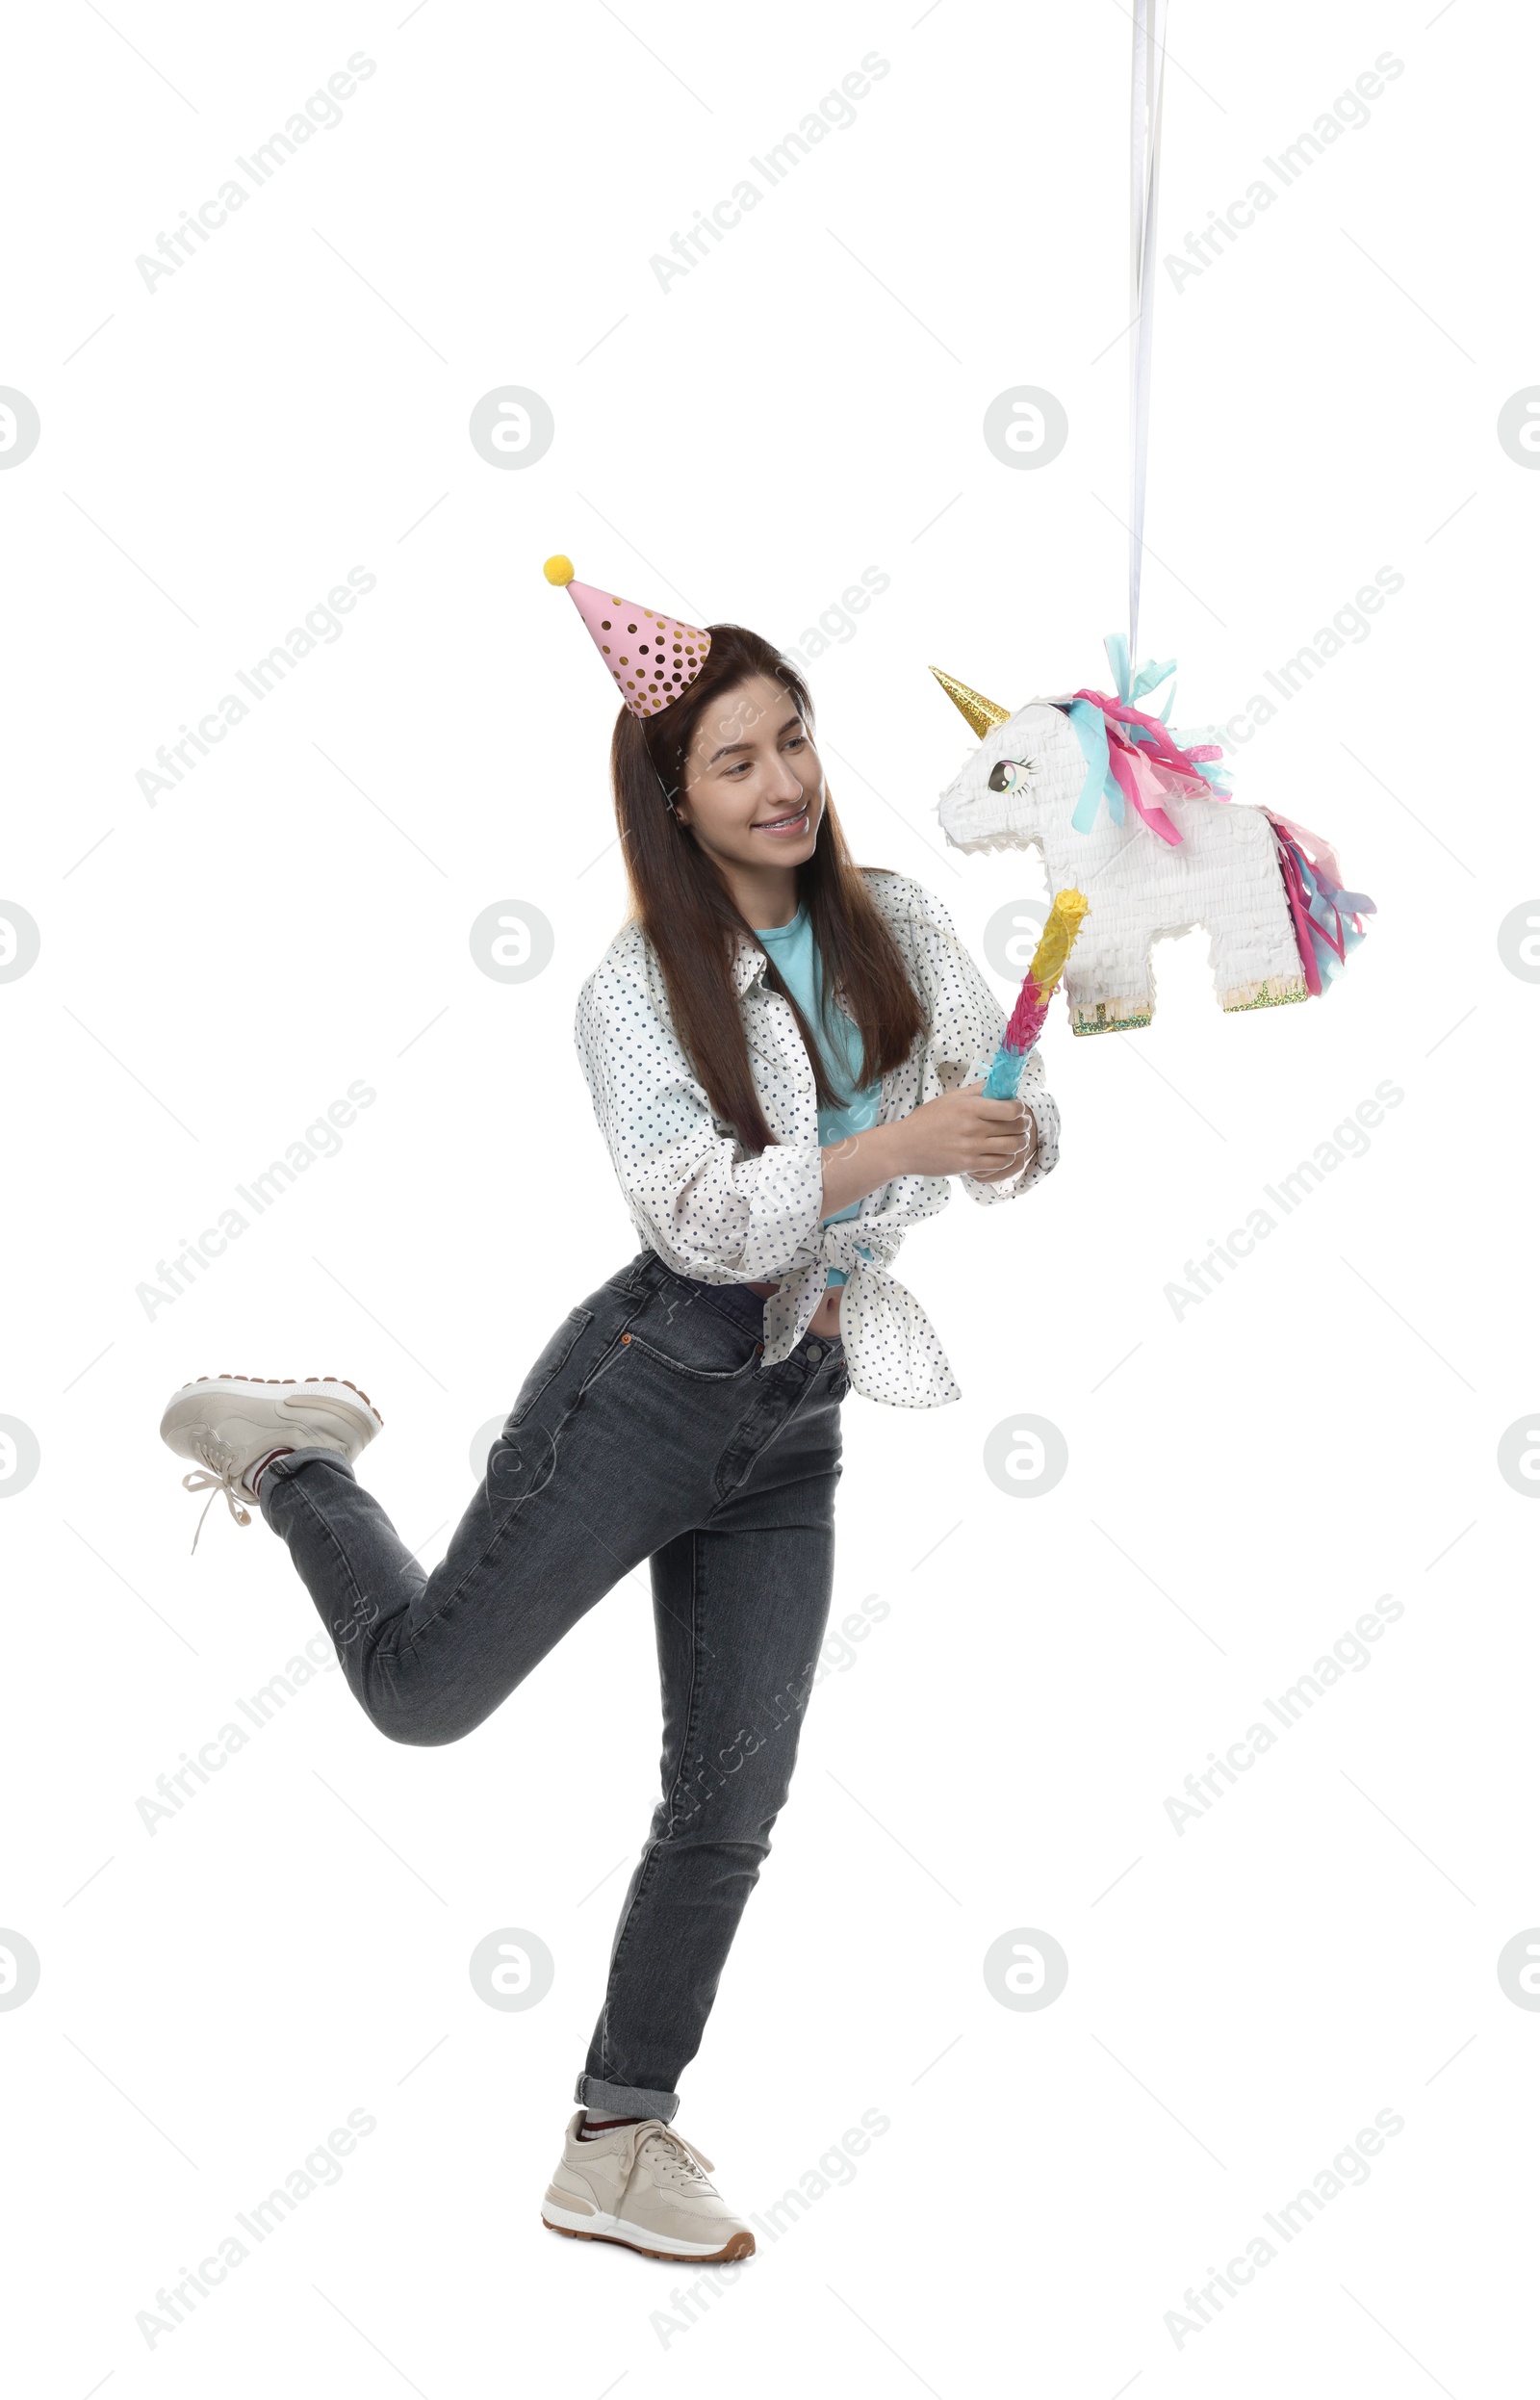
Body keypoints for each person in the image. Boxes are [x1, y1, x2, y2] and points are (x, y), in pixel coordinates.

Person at [159, 557, 1061, 2266]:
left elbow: (997, 1138)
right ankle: (293, 1457)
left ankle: (617, 2141)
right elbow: (703, 1218)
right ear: (674, 795)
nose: (785, 780)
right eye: (737, 760)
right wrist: (890, 1150)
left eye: (793, 738)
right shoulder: (633, 991)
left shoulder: (910, 923)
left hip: (799, 1413)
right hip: (649, 1385)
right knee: (423, 1695)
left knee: (731, 1797)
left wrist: (1010, 1131)